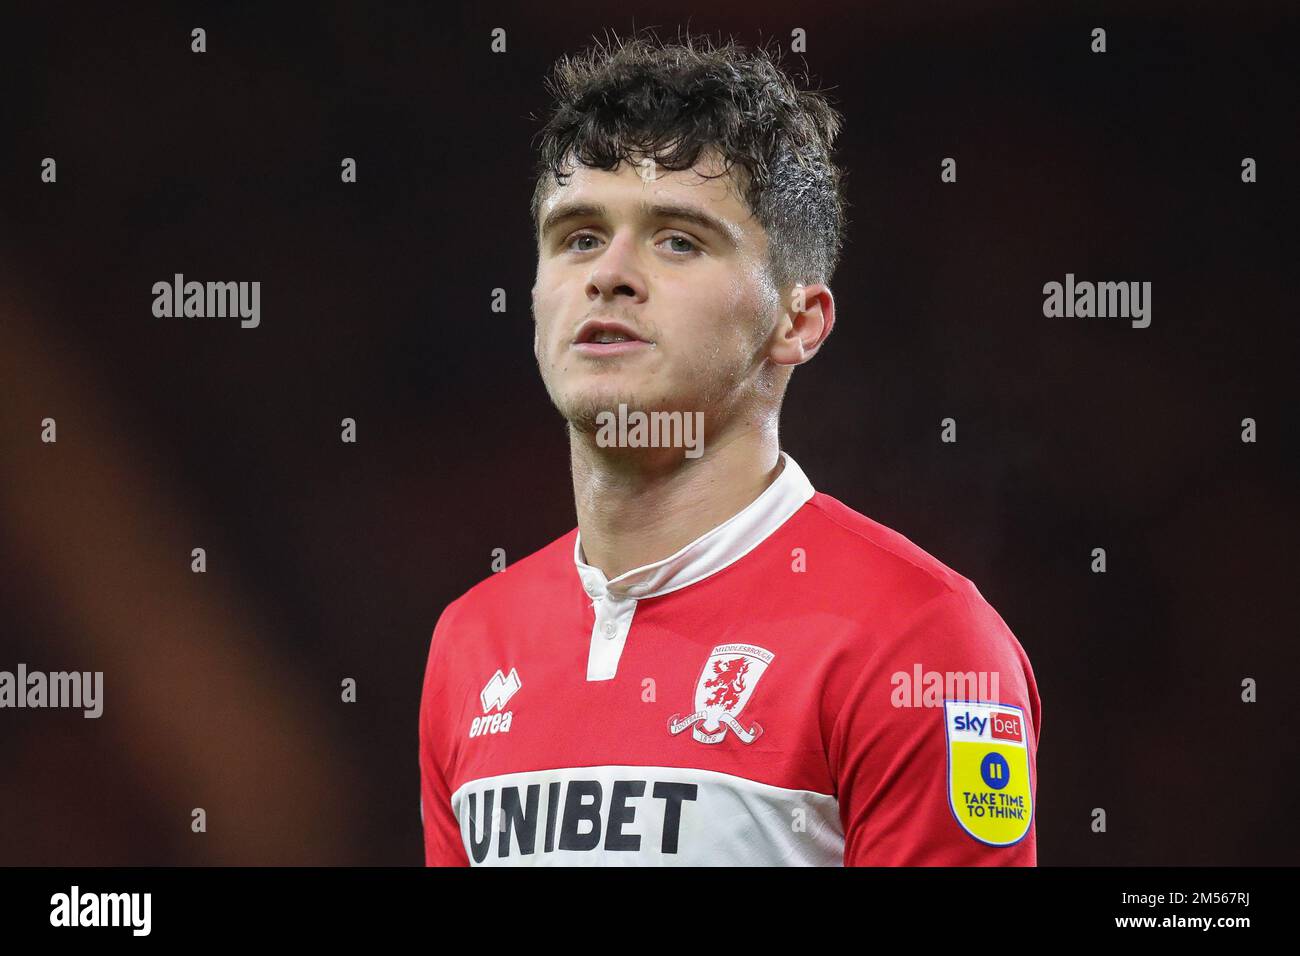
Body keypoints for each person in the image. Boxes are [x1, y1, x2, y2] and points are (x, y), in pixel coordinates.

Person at [420, 31, 1039, 866]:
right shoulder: (471, 644)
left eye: (678, 240)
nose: (610, 273)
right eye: (576, 236)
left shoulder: (921, 643)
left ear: (798, 320)